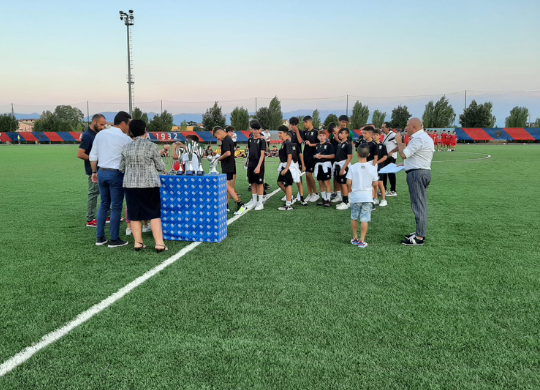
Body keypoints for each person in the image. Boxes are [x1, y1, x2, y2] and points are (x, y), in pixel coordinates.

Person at [119, 119, 168, 252]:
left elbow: (121, 167)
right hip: (149, 184)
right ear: (145, 130)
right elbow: (160, 166)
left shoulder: (126, 147)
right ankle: (159, 243)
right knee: (154, 213)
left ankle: (138, 242)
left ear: (131, 132)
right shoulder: (151, 146)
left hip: (130, 185)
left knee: (134, 214)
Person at [89, 111, 133, 248]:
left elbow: (93, 156)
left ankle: (100, 237)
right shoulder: (126, 139)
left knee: (104, 204)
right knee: (116, 207)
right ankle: (114, 239)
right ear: (124, 123)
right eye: (129, 124)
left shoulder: (101, 134)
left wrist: (94, 172)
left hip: (101, 172)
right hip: (116, 174)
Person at [395, 117, 435, 246]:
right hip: (422, 171)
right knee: (420, 203)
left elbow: (404, 154)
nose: (406, 128)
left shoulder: (418, 139)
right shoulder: (425, 137)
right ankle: (419, 231)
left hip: (417, 174)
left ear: (413, 127)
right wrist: (405, 164)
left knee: (419, 205)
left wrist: (399, 142)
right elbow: (416, 157)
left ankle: (419, 237)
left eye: (407, 126)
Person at [346, 144, 379, 248]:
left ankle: (355, 238)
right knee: (365, 218)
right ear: (369, 154)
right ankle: (362, 240)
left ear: (357, 154)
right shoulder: (372, 168)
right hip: (367, 197)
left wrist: (350, 191)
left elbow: (348, 182)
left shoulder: (352, 167)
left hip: (356, 196)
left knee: (354, 217)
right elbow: (375, 183)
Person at [78, 113, 107, 227]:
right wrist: (95, 159)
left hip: (102, 169)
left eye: (104, 125)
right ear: (94, 122)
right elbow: (80, 154)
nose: (102, 127)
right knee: (94, 194)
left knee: (106, 192)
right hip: (93, 170)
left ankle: (108, 215)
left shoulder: (97, 134)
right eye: (101, 125)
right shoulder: (87, 135)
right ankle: (90, 219)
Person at [213, 126, 246, 215]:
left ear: (219, 133)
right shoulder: (228, 139)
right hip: (230, 165)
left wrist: (219, 158)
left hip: (227, 165)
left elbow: (228, 153)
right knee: (227, 186)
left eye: (217, 137)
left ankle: (240, 203)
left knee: (227, 186)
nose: (218, 139)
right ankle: (229, 204)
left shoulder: (226, 140)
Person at [276, 126, 300, 211]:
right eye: (278, 133)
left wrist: (287, 168)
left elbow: (290, 156)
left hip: (288, 166)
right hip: (284, 165)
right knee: (279, 182)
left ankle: (288, 205)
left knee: (288, 184)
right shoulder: (284, 143)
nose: (279, 135)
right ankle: (291, 197)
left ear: (286, 133)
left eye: (280, 133)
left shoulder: (288, 143)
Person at [245, 120, 267, 211]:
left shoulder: (262, 141)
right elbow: (250, 152)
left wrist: (258, 166)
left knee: (259, 183)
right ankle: (254, 201)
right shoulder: (250, 140)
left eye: (257, 129)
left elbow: (262, 154)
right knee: (252, 183)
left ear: (259, 130)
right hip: (251, 164)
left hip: (259, 165)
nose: (255, 131)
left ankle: (260, 202)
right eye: (253, 129)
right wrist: (247, 161)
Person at [333, 128, 353, 210]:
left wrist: (343, 168)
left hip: (343, 165)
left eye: (342, 133)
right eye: (340, 133)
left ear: (347, 134)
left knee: (344, 184)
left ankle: (346, 202)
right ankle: (346, 200)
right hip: (338, 165)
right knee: (341, 183)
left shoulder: (348, 144)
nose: (340, 134)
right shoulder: (340, 143)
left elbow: (349, 157)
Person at [314, 129, 335, 207]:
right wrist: (316, 156)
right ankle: (324, 199)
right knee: (321, 182)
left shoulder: (329, 145)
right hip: (319, 165)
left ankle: (328, 200)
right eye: (320, 135)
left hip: (326, 165)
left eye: (323, 135)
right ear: (318, 137)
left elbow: (333, 155)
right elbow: (315, 155)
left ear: (326, 136)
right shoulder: (317, 146)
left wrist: (322, 156)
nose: (322, 137)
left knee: (327, 182)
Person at [289, 117, 307, 205]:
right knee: (289, 177)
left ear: (296, 125)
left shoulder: (300, 132)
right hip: (289, 158)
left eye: (293, 125)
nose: (291, 127)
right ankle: (289, 194)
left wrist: (296, 132)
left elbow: (300, 141)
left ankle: (301, 195)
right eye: (291, 125)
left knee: (299, 177)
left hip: (297, 157)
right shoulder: (288, 133)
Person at [302, 115, 320, 202]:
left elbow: (321, 143)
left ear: (310, 122)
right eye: (304, 122)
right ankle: (310, 194)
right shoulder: (305, 132)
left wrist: (311, 144)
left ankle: (316, 193)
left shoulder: (317, 131)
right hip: (305, 154)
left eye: (306, 122)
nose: (305, 124)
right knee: (307, 175)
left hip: (313, 155)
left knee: (309, 174)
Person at [381, 122, 398, 196]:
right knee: (384, 173)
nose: (382, 128)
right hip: (385, 157)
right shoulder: (385, 135)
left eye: (383, 127)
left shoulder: (393, 135)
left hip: (391, 157)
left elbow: (399, 145)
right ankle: (384, 189)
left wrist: (392, 152)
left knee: (391, 173)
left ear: (388, 128)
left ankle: (393, 190)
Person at [372, 129, 388, 207]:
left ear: (379, 136)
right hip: (373, 167)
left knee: (380, 183)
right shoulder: (372, 145)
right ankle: (375, 198)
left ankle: (384, 199)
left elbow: (385, 156)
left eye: (376, 135)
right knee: (374, 183)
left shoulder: (382, 145)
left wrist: (377, 162)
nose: (375, 136)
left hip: (380, 166)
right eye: (374, 134)